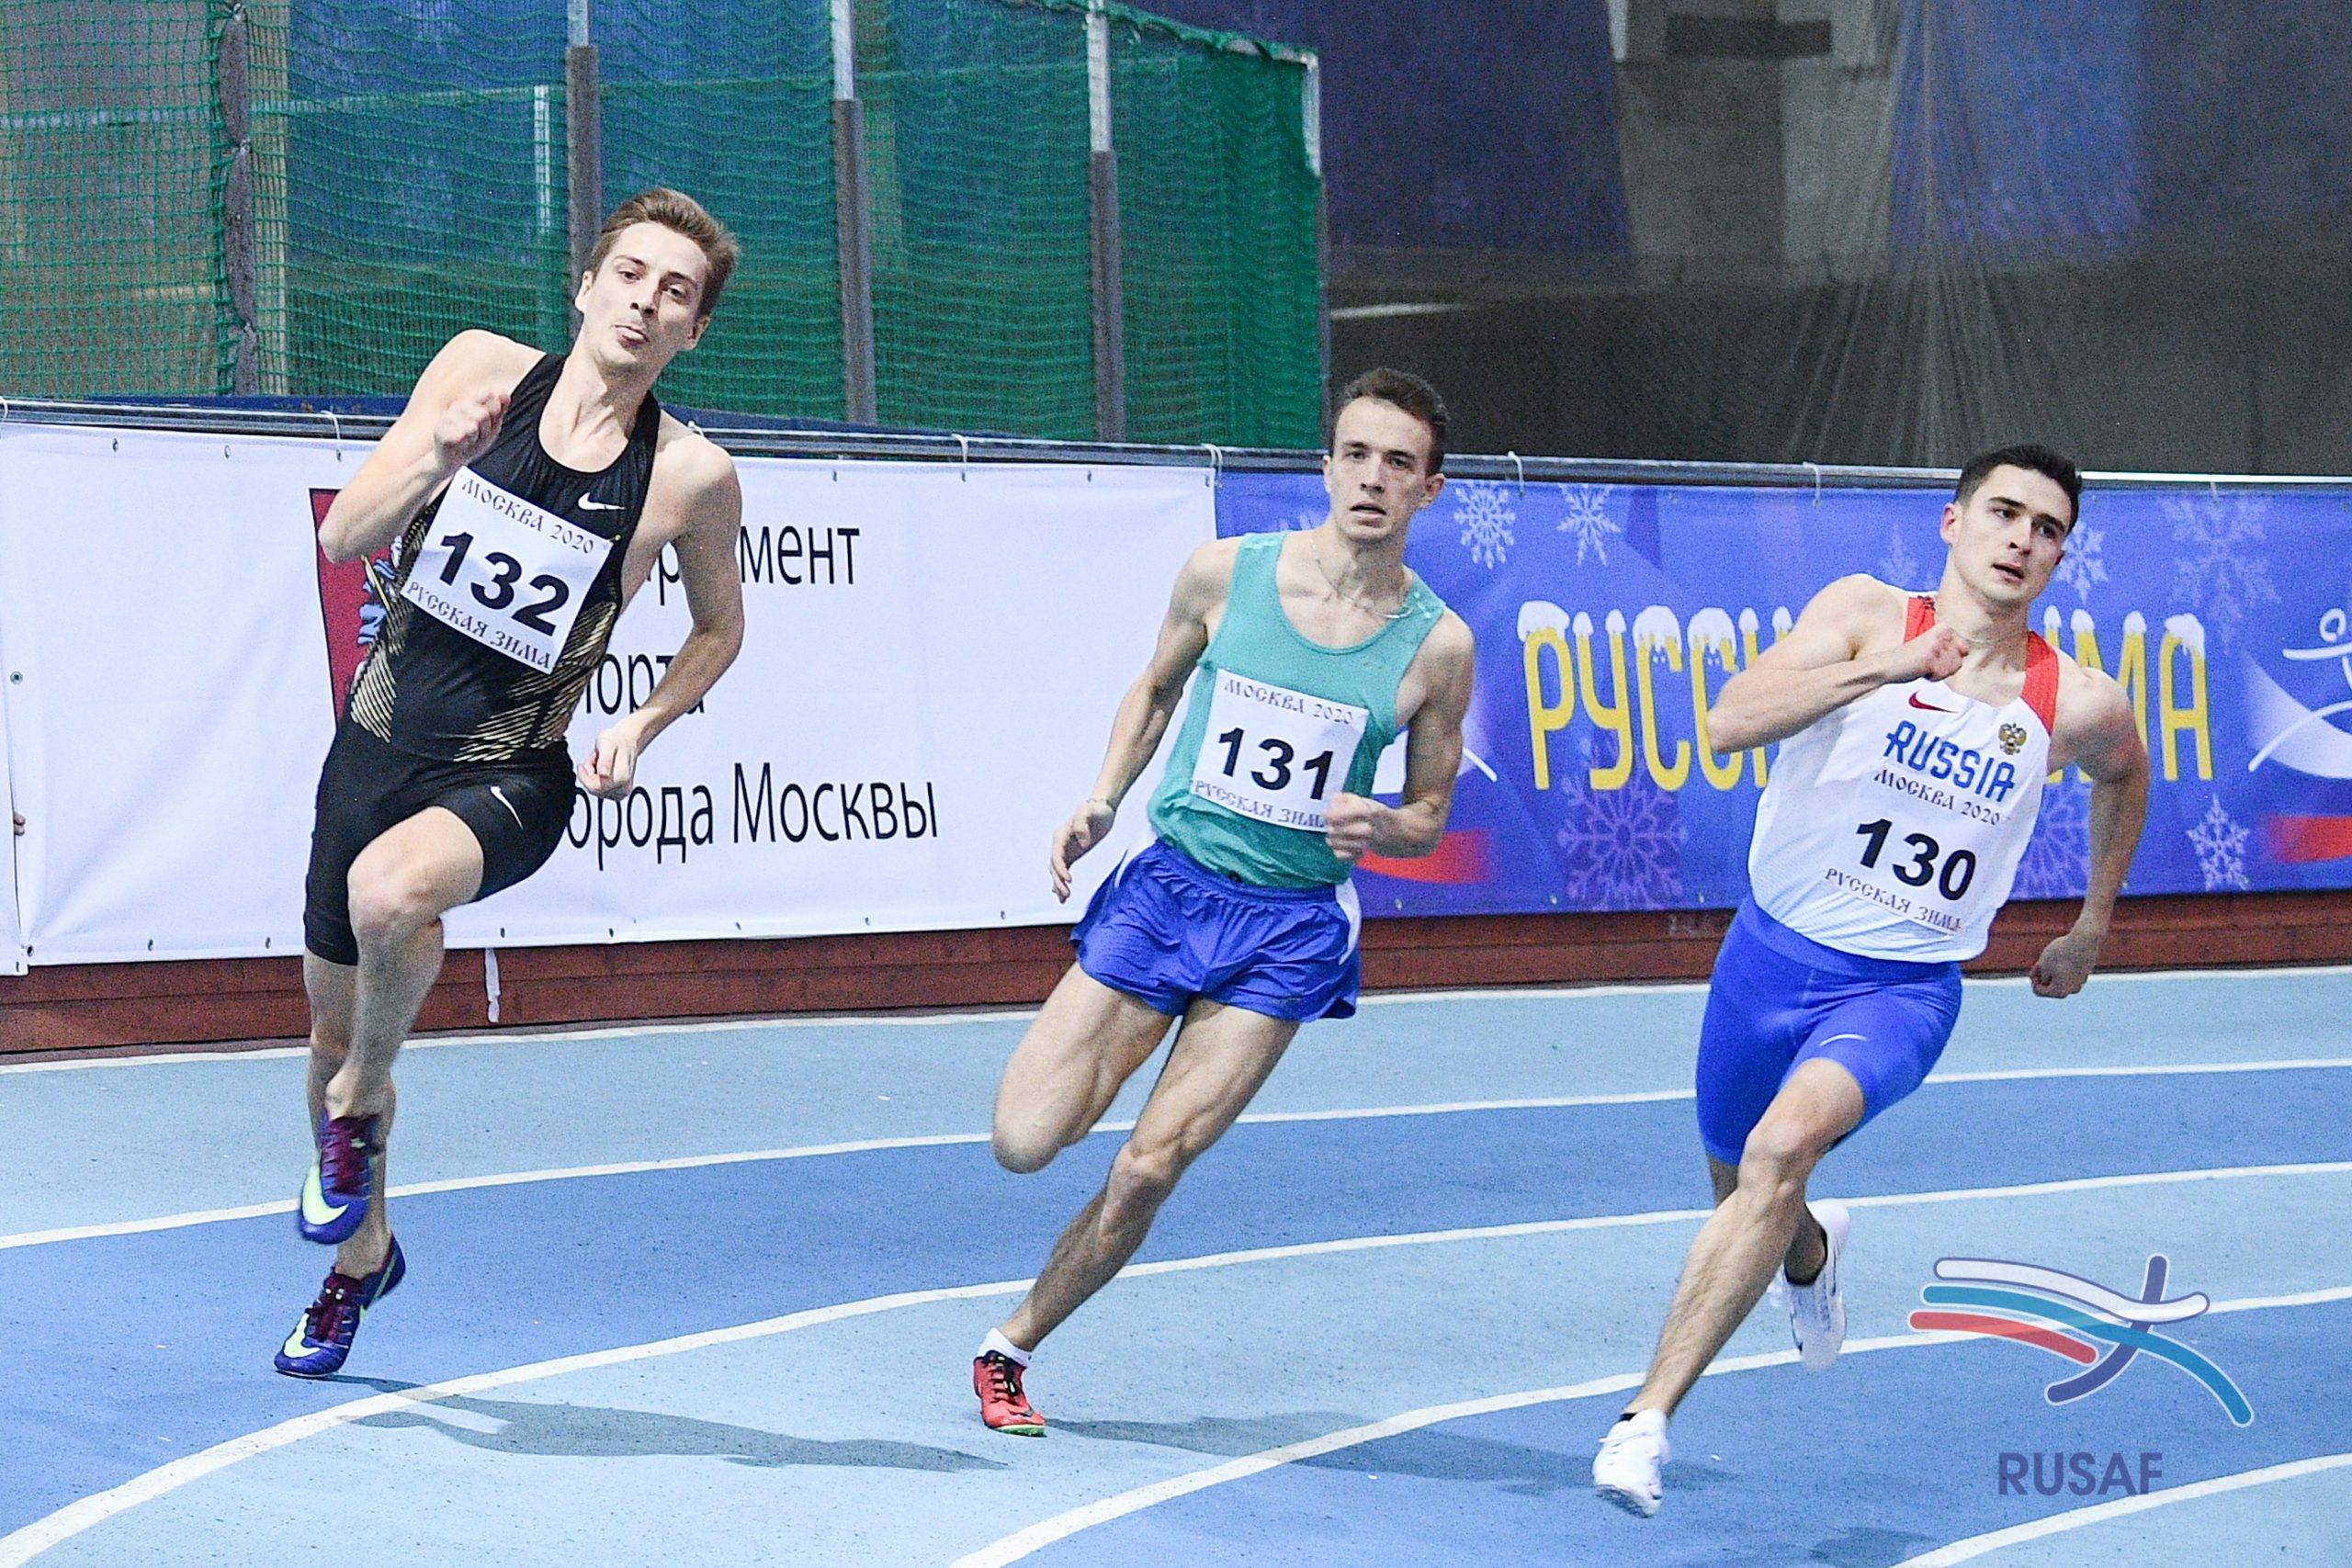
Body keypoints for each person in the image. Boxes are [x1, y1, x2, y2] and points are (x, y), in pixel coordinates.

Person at [1591, 446, 2151, 1514]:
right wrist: (1888, 671)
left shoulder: (2072, 700)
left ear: (2059, 559)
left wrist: (2092, 922)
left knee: (1778, 1153)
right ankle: (1809, 1253)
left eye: (2046, 530)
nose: (2021, 540)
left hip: (1899, 991)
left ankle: (1643, 1423)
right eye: (2004, 513)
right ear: (1953, 523)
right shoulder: (1861, 614)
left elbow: (2123, 775)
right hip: (1764, 961)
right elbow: (1727, 723)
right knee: (1744, 1194)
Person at [276, 189, 748, 1377]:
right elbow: (344, 537)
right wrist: (443, 456)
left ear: (693, 331)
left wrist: (644, 721)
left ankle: (366, 1092)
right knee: (326, 1027)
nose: (645, 303)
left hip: (512, 775)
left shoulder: (689, 475)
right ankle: (361, 1259)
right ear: (585, 287)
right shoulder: (480, 369)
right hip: (372, 750)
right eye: (629, 275)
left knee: (392, 899)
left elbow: (718, 630)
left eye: (675, 293)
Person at [970, 368, 1477, 1434]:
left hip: (1289, 929)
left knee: (1149, 1166)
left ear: (1429, 489)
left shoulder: (1437, 647)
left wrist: (1384, 826)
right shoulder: (1224, 574)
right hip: (1170, 887)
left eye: (1398, 464)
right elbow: (1155, 690)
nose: (1372, 479)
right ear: (1326, 466)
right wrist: (1102, 798)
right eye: (1356, 455)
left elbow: (1431, 810)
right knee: (1025, 1137)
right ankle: (1100, 1069)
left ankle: (1009, 1348)